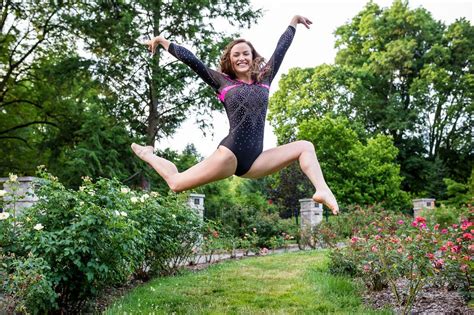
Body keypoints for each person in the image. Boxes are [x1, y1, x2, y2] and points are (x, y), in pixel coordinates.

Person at [132, 15, 339, 214]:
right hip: (230, 153)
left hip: (255, 160)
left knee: (305, 147)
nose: (241, 57)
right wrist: (162, 41)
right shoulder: (222, 82)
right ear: (230, 61)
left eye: (245, 53)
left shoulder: (265, 79)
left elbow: (281, 49)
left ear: (253, 57)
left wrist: (293, 21)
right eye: (236, 55)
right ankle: (148, 154)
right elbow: (192, 61)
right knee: (176, 183)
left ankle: (322, 189)